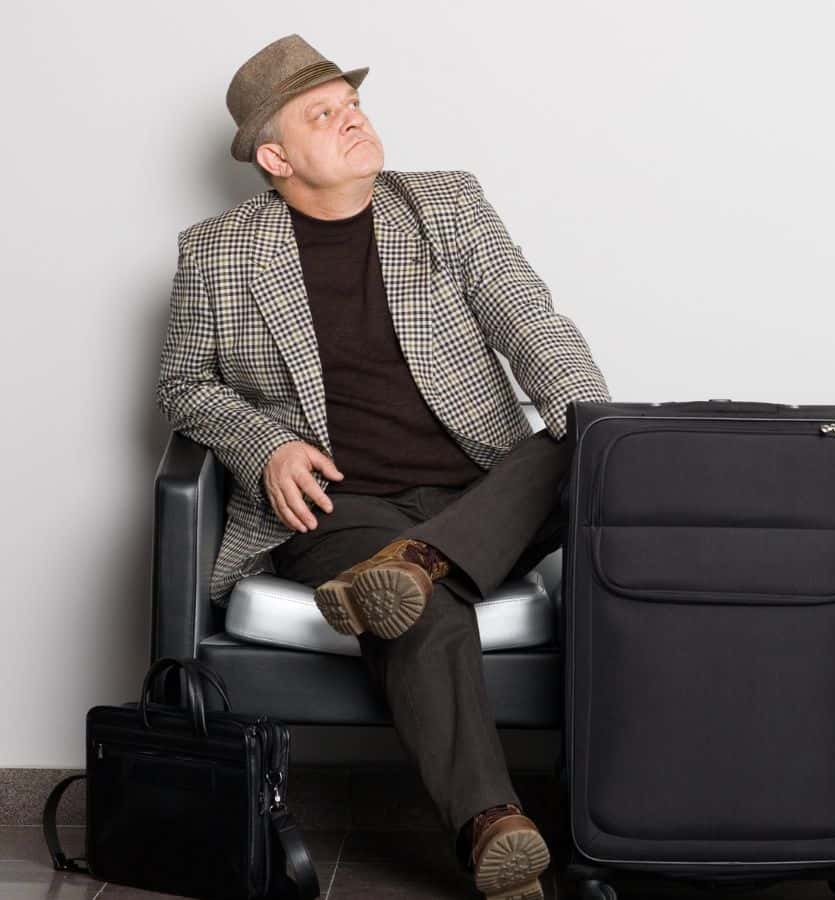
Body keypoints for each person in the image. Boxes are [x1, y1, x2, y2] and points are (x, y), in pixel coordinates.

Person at [154, 33, 608, 900]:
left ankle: (425, 559)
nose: (352, 117)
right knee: (422, 615)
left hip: (485, 483)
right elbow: (182, 383)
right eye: (323, 114)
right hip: (343, 502)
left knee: (574, 439)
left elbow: (531, 321)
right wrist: (264, 444)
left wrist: (592, 422)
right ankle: (493, 829)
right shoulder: (216, 252)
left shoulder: (446, 205)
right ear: (278, 156)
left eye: (352, 102)